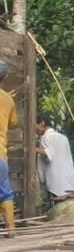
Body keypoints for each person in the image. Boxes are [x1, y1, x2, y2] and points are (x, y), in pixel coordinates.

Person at [35, 114, 74, 202]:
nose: (34, 130)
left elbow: (48, 154)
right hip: (69, 181)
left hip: (56, 185)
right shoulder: (63, 138)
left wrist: (33, 149)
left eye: (35, 126)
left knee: (57, 211)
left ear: (42, 123)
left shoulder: (45, 137)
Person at [0, 62, 17, 235]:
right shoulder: (8, 99)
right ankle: (11, 229)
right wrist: (7, 98)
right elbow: (13, 122)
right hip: (0, 156)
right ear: (4, 78)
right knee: (4, 193)